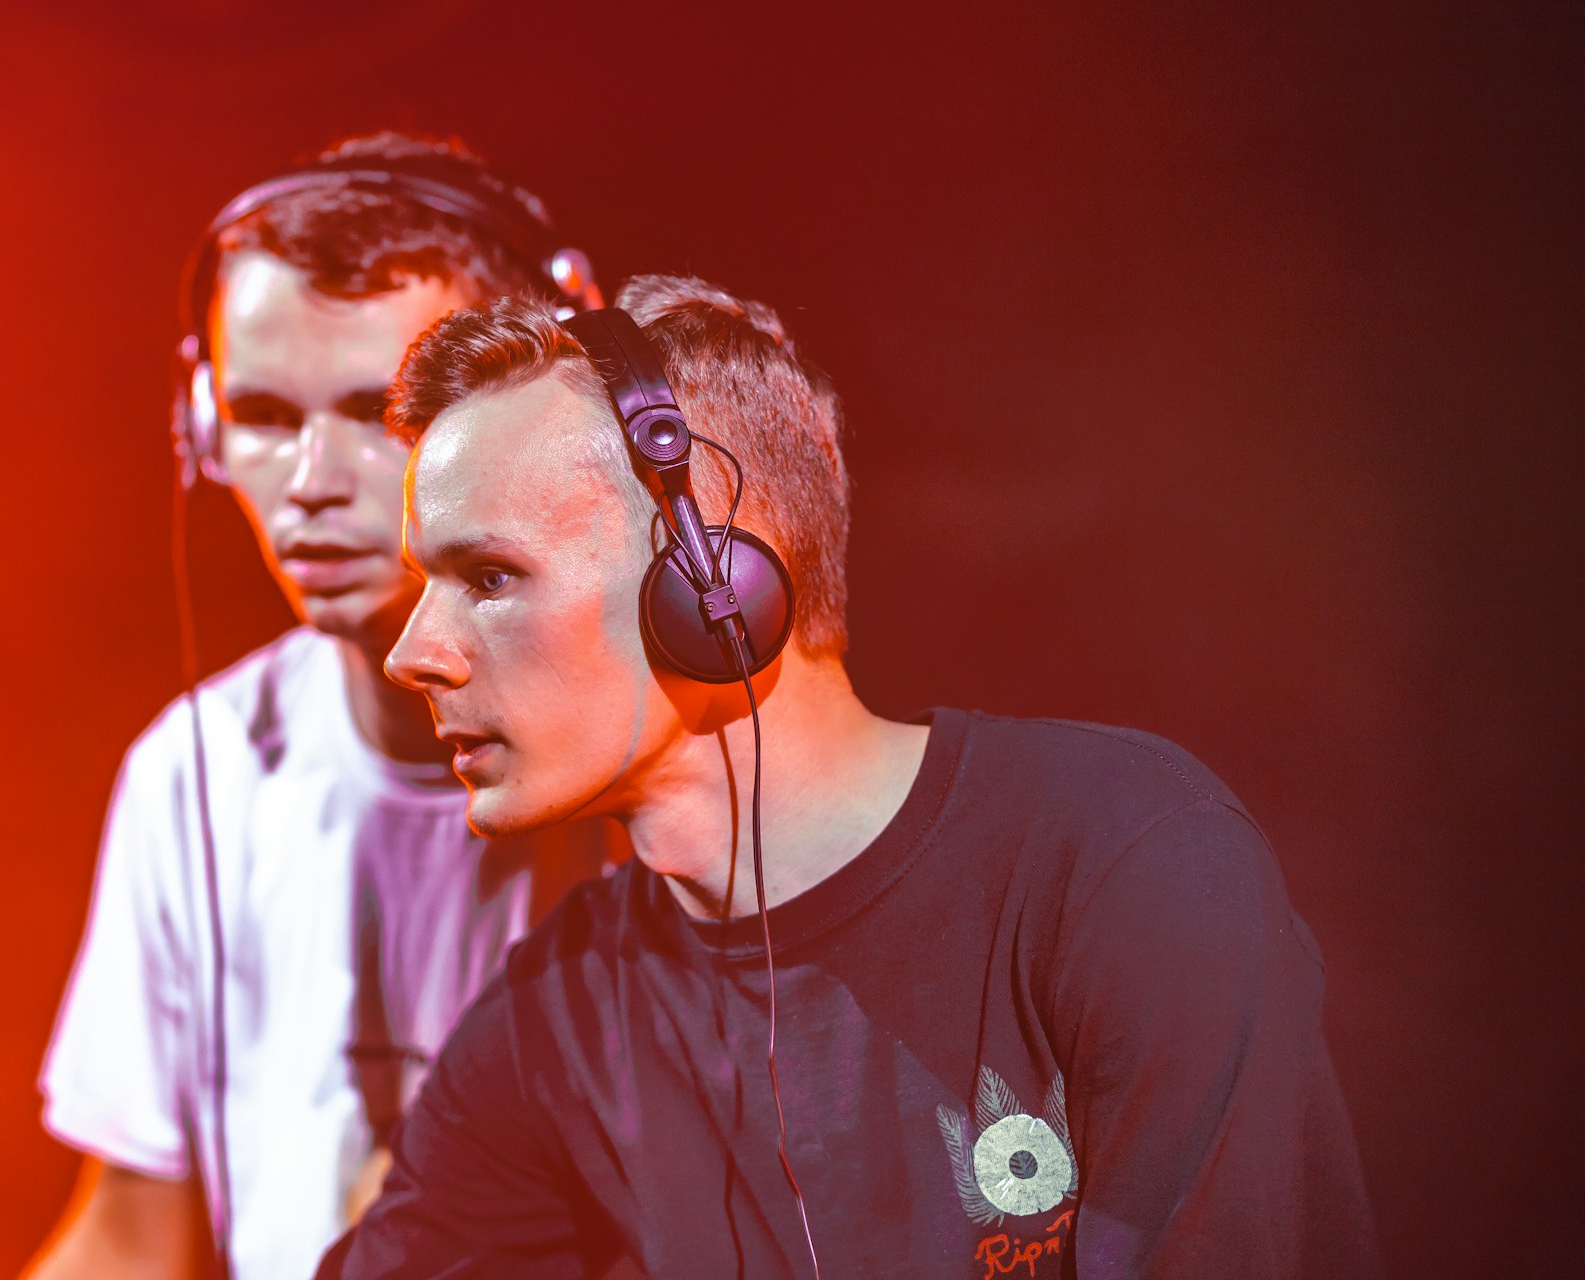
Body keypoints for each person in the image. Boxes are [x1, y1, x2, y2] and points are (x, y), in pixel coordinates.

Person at [315, 275, 1382, 1277]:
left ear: (713, 583)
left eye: (489, 575)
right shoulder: (556, 1016)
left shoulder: (1129, 862)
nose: (413, 650)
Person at [23, 133, 619, 1280]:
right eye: (260, 413)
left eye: (371, 408)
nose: (308, 480)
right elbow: (134, 1234)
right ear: (200, 426)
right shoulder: (198, 768)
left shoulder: (672, 767)